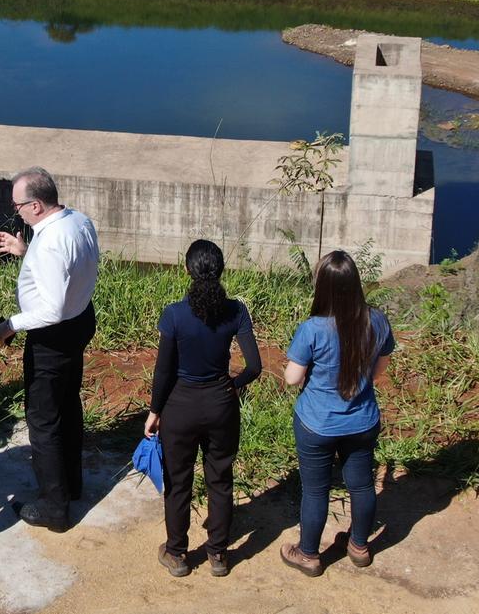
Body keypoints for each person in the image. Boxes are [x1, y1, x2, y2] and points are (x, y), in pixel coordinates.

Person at [143, 240, 263, 578]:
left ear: (187, 270)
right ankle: (218, 555)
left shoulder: (174, 314)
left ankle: (178, 554)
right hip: (221, 406)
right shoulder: (236, 311)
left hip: (179, 408)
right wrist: (232, 386)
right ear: (221, 270)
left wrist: (155, 410)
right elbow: (254, 367)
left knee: (178, 482)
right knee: (220, 479)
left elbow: (163, 371)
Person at [0, 166, 99, 532]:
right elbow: (64, 271)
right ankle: (72, 485)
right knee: (68, 404)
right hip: (80, 321)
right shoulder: (79, 222)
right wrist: (27, 251)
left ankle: (55, 508)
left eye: (18, 205)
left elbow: (51, 309)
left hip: (53, 336)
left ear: (36, 205)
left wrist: (11, 325)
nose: (15, 211)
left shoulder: (50, 242)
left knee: (43, 418)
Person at [279, 250, 395, 577]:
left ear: (323, 288)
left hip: (317, 422)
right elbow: (378, 370)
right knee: (361, 485)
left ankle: (309, 555)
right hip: (362, 420)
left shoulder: (312, 329)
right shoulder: (377, 321)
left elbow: (292, 378)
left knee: (316, 490)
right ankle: (359, 546)